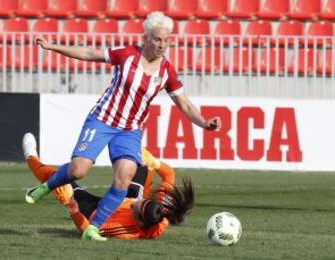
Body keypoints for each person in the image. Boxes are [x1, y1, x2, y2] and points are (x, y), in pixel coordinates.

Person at [25, 11, 221, 241]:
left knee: (125, 177)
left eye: (167, 40)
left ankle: (93, 229)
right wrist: (52, 47)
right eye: (158, 39)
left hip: (130, 130)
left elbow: (185, 104)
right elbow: (89, 53)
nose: (162, 45)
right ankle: (46, 186)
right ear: (146, 38)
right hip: (103, 120)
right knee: (79, 170)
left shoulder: (166, 72)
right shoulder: (127, 55)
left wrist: (205, 123)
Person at [23, 133, 194, 239]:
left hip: (95, 210)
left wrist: (71, 206)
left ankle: (31, 156)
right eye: (139, 201)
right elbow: (169, 174)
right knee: (140, 163)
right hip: (133, 195)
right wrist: (154, 162)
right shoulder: (160, 215)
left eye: (135, 206)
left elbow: (85, 230)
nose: (133, 202)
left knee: (56, 179)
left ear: (139, 222)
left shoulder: (122, 229)